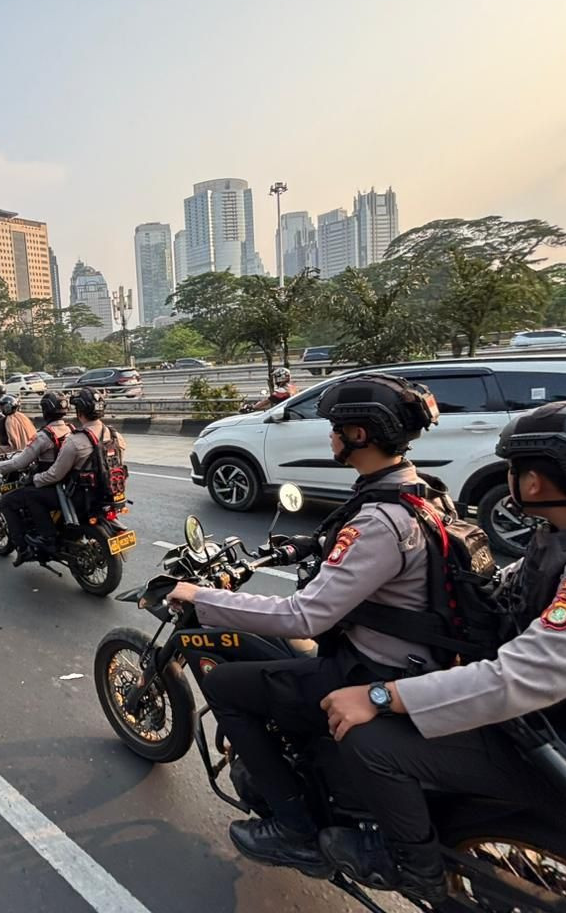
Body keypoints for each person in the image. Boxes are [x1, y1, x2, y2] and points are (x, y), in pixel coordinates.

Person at [314, 400, 566, 903]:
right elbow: (500, 594)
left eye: (514, 469)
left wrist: (380, 697)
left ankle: (412, 866)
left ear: (533, 484)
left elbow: (511, 680)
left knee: (372, 741)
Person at [163, 373, 441, 876]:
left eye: (338, 427)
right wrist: (300, 546)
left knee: (227, 686)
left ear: (361, 435)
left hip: (367, 669)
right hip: (408, 656)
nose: (330, 436)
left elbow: (305, 615)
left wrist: (203, 597)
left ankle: (294, 830)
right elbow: (341, 538)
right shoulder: (415, 491)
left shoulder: (379, 522)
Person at [21, 388, 126, 558]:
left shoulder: (75, 440)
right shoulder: (116, 436)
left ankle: (48, 538)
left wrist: (36, 478)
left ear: (79, 411)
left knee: (32, 495)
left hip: (81, 497)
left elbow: (55, 474)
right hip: (111, 493)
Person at [0, 391, 73, 564]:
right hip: (67, 484)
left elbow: (21, 462)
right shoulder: (71, 430)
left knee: (8, 501)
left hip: (48, 483)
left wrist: (0, 466)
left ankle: (22, 548)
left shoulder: (44, 436)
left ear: (45, 411)